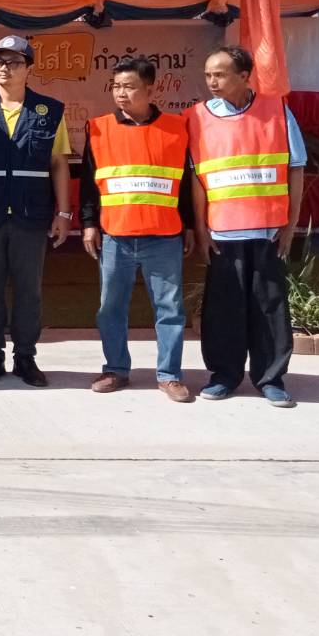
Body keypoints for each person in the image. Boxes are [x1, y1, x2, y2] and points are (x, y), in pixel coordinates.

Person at [186, 45, 307, 407]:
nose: (212, 82)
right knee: (223, 309)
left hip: (268, 232)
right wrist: (201, 230)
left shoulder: (277, 110)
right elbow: (197, 180)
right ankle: (224, 376)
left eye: (220, 74)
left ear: (243, 76)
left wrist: (291, 225)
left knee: (270, 308)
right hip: (222, 233)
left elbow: (296, 168)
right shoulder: (197, 117)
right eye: (208, 75)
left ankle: (271, 378)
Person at [81, 57, 196, 403]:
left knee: (170, 309)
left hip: (164, 237)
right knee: (110, 309)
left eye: (129, 86)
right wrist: (88, 224)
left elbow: (186, 184)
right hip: (115, 236)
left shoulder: (177, 128)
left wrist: (190, 225)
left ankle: (169, 375)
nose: (121, 93)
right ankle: (115, 369)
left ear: (150, 88)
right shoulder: (98, 128)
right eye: (116, 86)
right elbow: (89, 184)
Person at [0, 34, 73, 387]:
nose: (4, 68)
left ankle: (25, 357)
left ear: (29, 69)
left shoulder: (50, 110)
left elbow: (59, 164)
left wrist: (64, 213)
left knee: (29, 292)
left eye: (13, 63)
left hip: (31, 217)